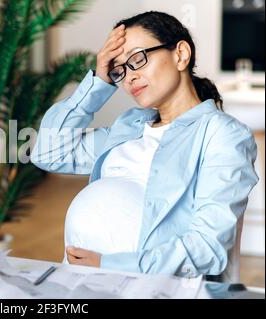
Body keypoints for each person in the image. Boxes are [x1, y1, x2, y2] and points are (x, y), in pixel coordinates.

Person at [30, 11, 259, 279]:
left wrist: (110, 265)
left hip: (149, 286)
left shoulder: (221, 134)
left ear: (180, 54)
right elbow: (47, 152)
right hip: (81, 280)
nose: (128, 78)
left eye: (138, 59)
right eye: (119, 70)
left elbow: (208, 247)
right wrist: (99, 82)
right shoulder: (129, 127)